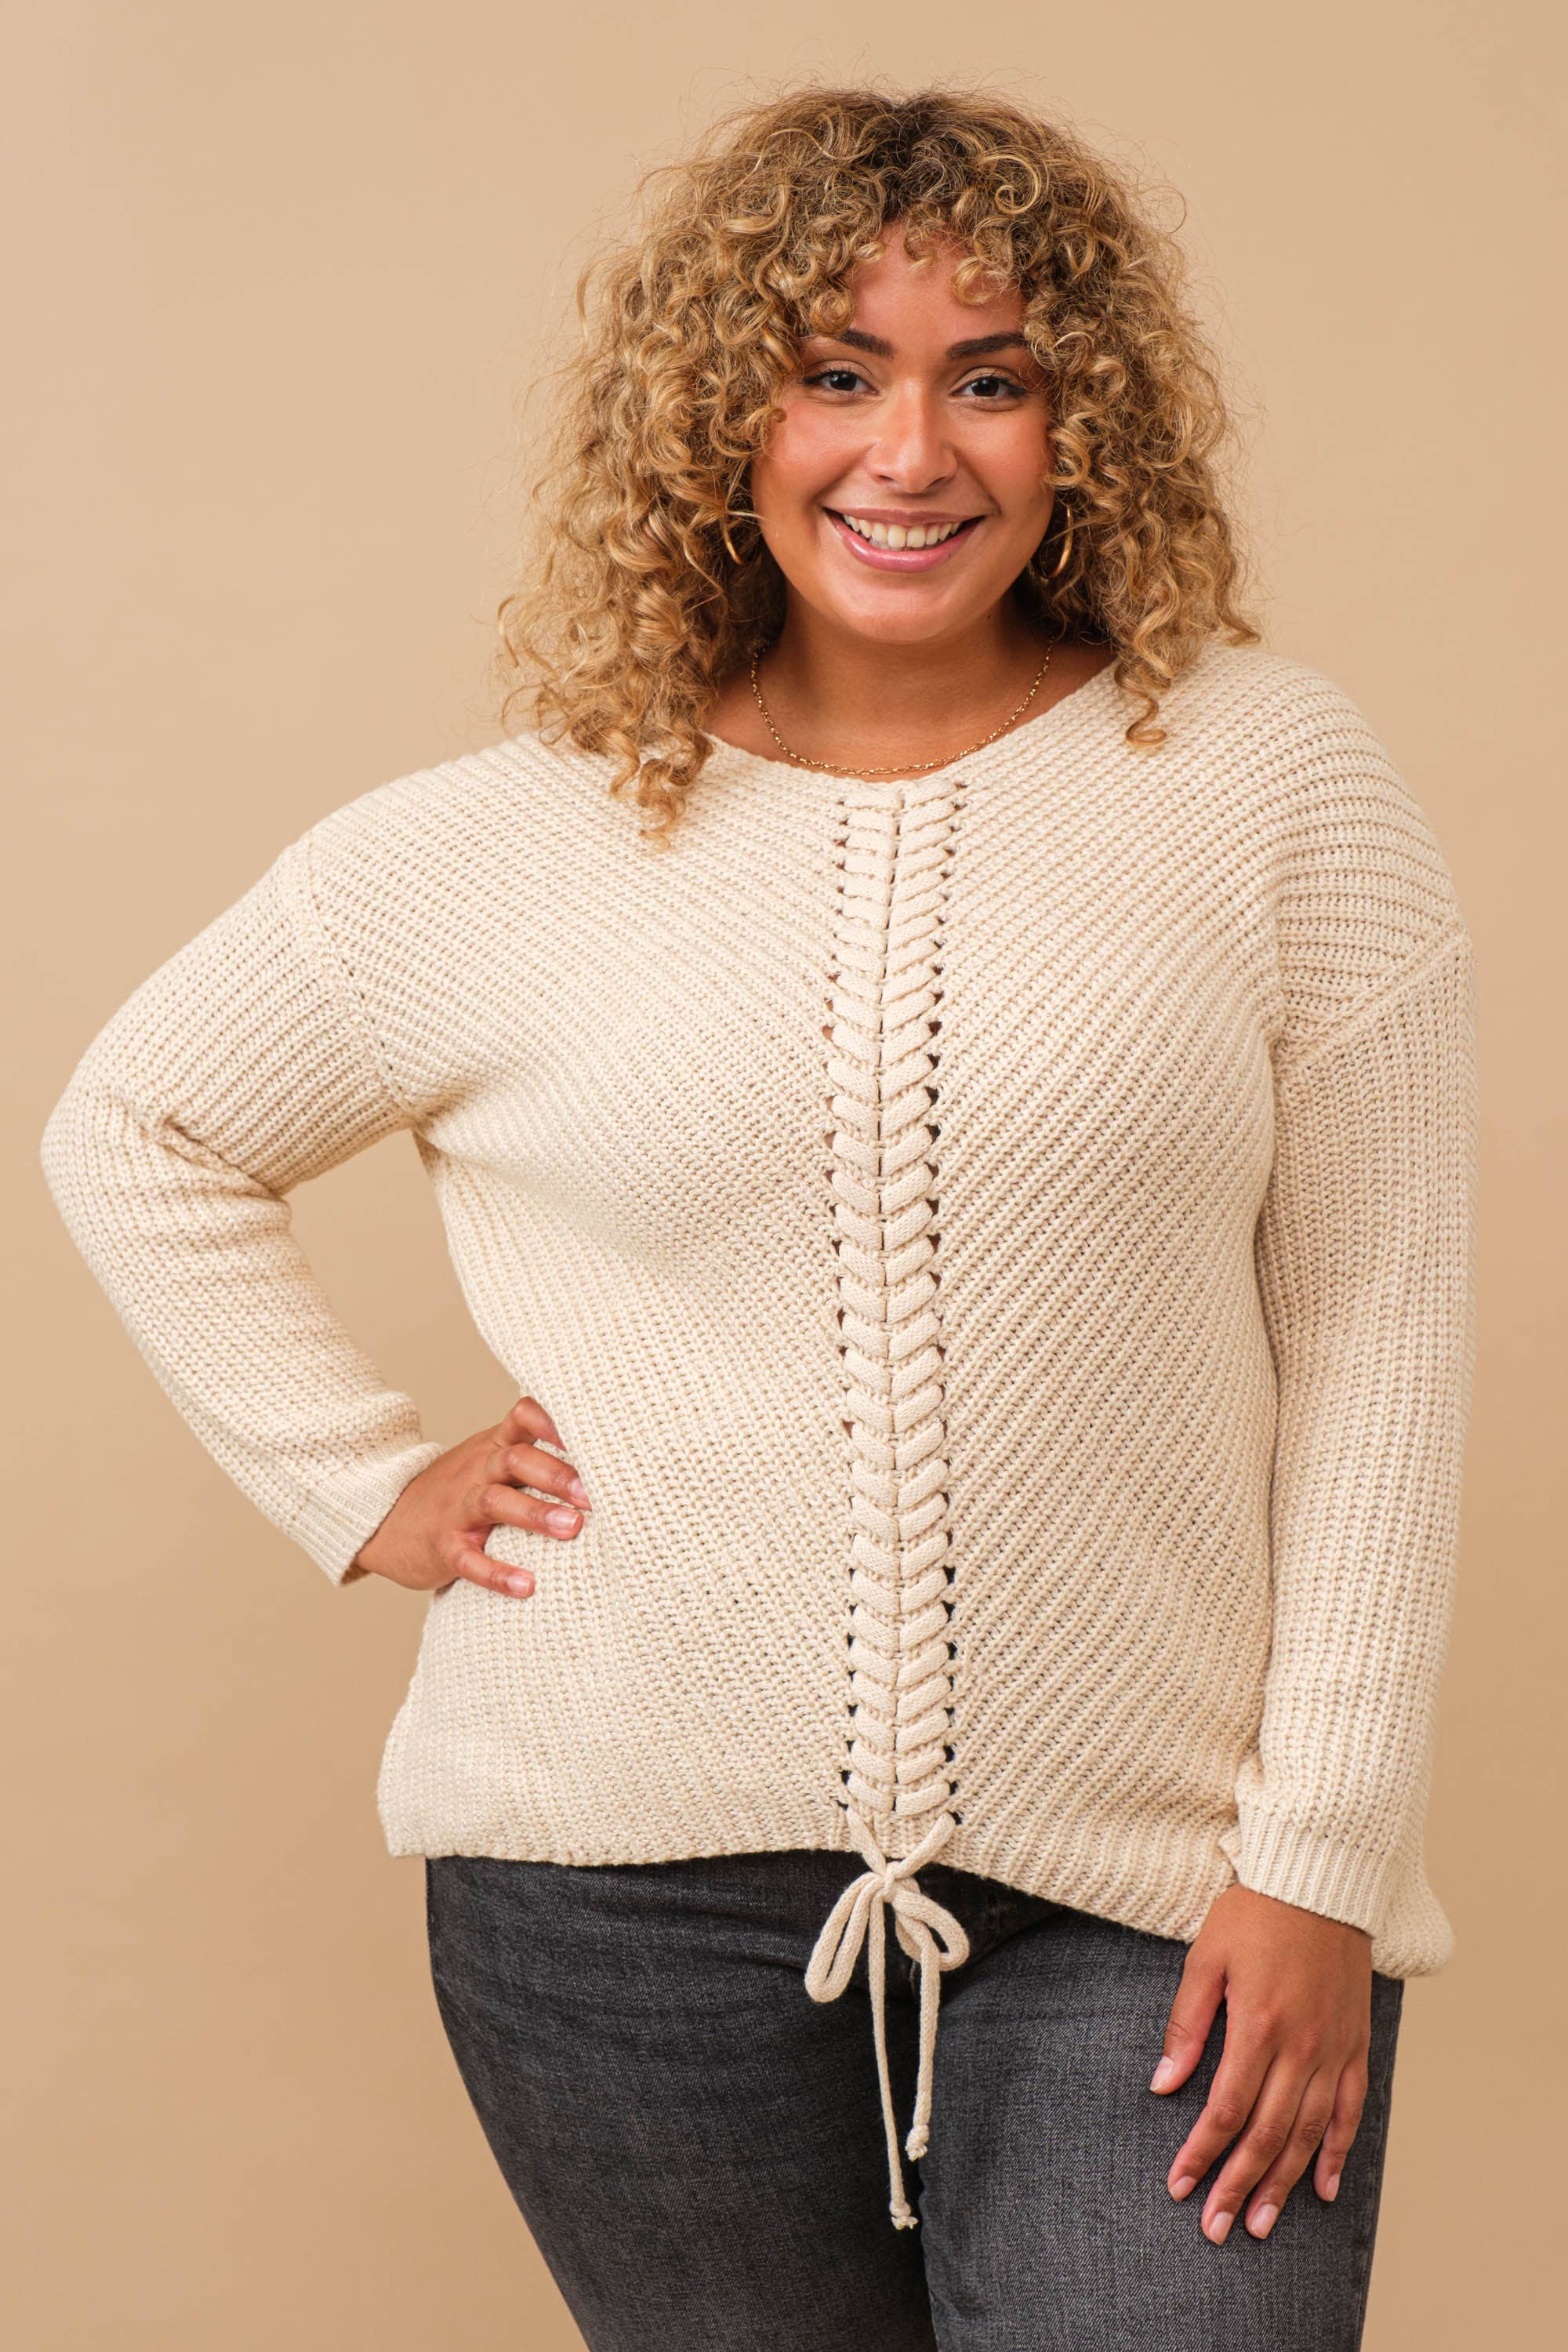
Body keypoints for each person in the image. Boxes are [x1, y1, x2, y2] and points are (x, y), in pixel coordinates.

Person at [40, 85, 1479, 2352]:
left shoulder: (1271, 786)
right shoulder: (514, 839)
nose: (910, 452)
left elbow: (1384, 1336)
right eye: (835, 373)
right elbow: (139, 1124)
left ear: (1082, 426)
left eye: (989, 380)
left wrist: (1323, 1863)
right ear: (725, 415)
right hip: (614, 1904)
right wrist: (357, 1479)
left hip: (1170, 1890)